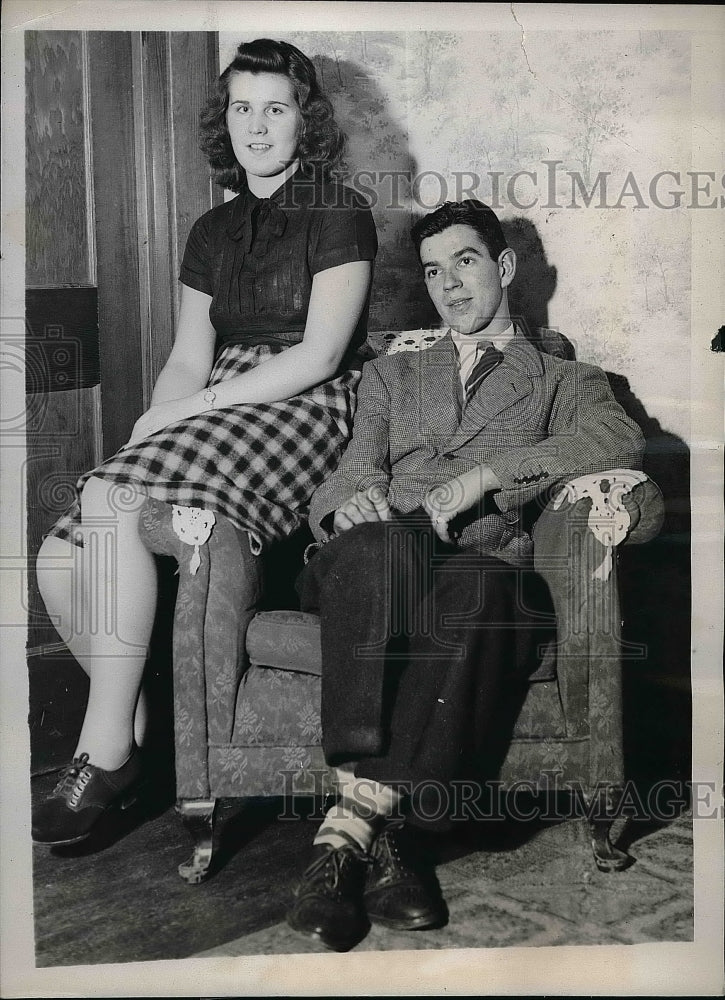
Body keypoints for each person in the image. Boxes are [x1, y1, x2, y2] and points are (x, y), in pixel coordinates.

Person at [32, 38, 377, 847]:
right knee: (59, 554)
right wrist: (149, 429)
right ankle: (132, 735)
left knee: (108, 499)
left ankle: (103, 751)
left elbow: (320, 355)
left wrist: (199, 409)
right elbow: (188, 357)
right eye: (242, 107)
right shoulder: (211, 228)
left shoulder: (340, 210)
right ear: (225, 119)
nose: (257, 125)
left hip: (304, 405)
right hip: (220, 398)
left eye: (277, 107)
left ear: (307, 120)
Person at [286, 199, 646, 951]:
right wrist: (348, 506)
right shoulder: (391, 374)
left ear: (505, 267)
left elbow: (616, 437)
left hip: (476, 568)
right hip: (376, 555)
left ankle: (355, 829)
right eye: (431, 270)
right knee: (384, 546)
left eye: (465, 261)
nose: (447, 284)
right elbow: (352, 467)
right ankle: (385, 819)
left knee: (484, 587)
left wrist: (487, 475)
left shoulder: (564, 379)